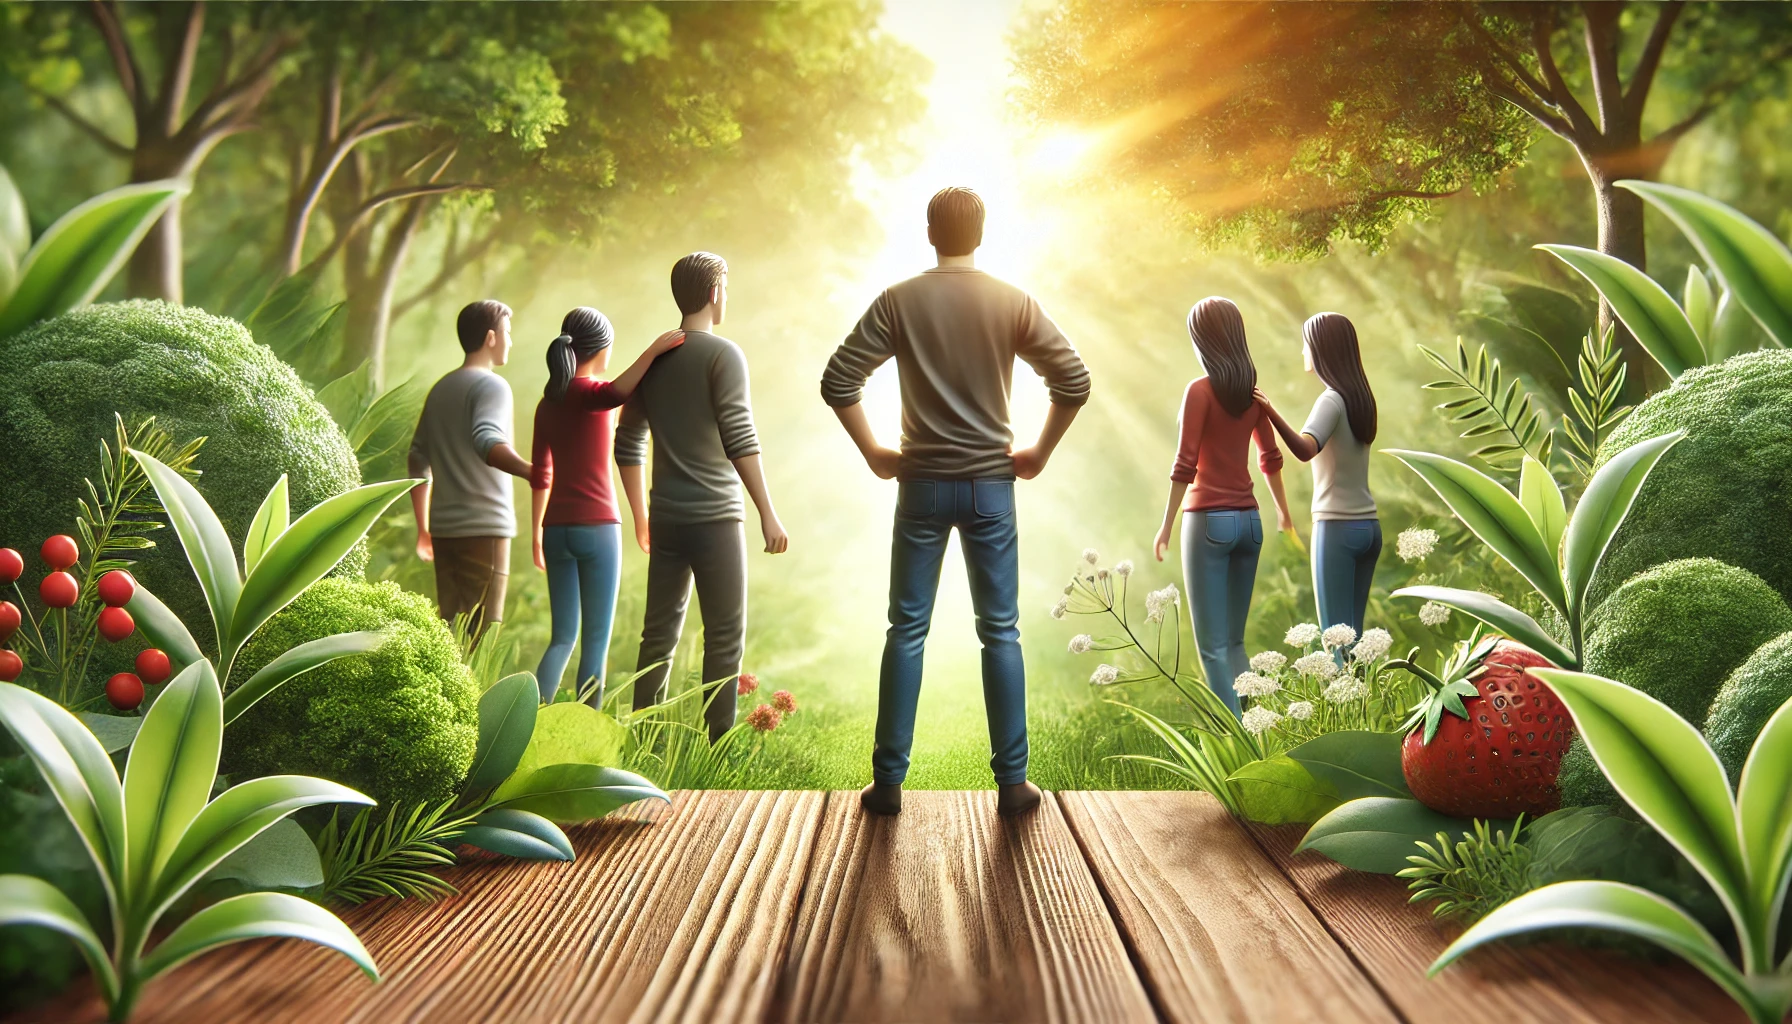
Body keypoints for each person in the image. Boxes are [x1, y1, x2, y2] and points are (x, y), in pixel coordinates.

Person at [823, 186, 1091, 818]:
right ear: (982, 232)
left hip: (919, 485)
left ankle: (887, 785)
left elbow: (839, 380)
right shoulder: (1011, 300)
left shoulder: (898, 300)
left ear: (928, 232)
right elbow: (1074, 380)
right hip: (990, 486)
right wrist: (1038, 451)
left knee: (906, 630)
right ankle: (1014, 785)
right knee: (1000, 631)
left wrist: (874, 451)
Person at [617, 252, 789, 742]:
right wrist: (767, 512)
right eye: (726, 288)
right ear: (714, 292)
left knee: (657, 636)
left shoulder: (655, 357)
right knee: (724, 637)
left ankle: (642, 742)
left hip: (667, 518)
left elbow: (627, 442)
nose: (726, 296)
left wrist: (641, 515)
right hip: (716, 518)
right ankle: (715, 748)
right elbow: (740, 436)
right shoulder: (724, 355)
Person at [529, 308, 687, 705]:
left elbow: (541, 474)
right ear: (603, 349)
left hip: (555, 529)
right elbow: (619, 392)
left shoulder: (547, 404)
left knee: (562, 637)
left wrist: (535, 533)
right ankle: (584, 726)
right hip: (598, 527)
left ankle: (532, 717)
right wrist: (653, 350)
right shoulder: (593, 394)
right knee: (595, 641)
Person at [1152, 296, 1293, 716]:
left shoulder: (1199, 391)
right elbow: (1270, 458)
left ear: (1203, 340)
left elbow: (1185, 464)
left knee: (1212, 648)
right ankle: (1256, 728)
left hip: (1209, 523)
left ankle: (1235, 739)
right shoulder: (1253, 396)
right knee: (1235, 642)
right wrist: (1282, 511)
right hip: (1250, 522)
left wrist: (1166, 524)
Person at [409, 299, 531, 638]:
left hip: (444, 529)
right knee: (481, 631)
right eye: (507, 333)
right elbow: (486, 438)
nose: (510, 341)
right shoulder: (492, 386)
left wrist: (423, 527)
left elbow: (417, 458)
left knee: (449, 627)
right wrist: (530, 471)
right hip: (485, 526)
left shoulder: (441, 389)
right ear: (491, 338)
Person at [1255, 311, 1381, 640]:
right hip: (1368, 527)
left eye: (1306, 344)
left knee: (1336, 639)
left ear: (1323, 349)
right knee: (1356, 638)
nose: (1303, 351)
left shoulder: (1331, 400)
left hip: (1337, 526)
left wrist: (1269, 410)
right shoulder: (1361, 399)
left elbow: (1305, 449)